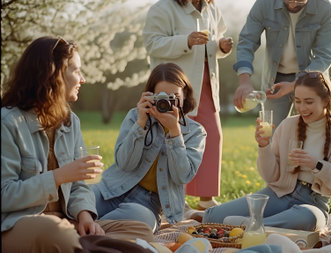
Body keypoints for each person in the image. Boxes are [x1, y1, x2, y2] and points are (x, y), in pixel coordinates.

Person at [1, 36, 153, 253]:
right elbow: (4, 194)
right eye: (76, 70)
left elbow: (79, 185)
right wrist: (59, 176)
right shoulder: (8, 123)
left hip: (65, 222)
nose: (82, 79)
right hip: (18, 224)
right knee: (55, 232)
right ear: (53, 74)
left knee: (140, 230)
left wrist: (84, 215)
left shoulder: (70, 122)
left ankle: (86, 244)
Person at [203, 72, 331, 230]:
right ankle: (258, 226)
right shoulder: (288, 125)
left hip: (313, 203)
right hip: (277, 194)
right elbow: (271, 176)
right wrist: (263, 146)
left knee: (307, 219)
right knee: (211, 217)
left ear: (326, 100)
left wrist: (315, 165)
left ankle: (249, 226)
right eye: (298, 101)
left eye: (308, 102)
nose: (302, 108)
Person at [91, 63, 207, 232]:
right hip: (112, 189)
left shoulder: (195, 132)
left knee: (142, 221)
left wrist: (175, 132)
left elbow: (182, 175)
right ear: (151, 95)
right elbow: (124, 163)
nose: (167, 102)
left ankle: (87, 227)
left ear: (185, 94)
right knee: (80, 200)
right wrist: (140, 124)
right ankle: (91, 225)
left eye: (174, 96)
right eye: (162, 97)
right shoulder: (136, 116)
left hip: (147, 204)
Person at [143, 0, 232, 211]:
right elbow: (152, 43)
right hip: (175, 87)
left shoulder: (211, 9)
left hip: (207, 83)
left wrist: (221, 46)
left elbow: (214, 42)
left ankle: (205, 199)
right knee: (175, 138)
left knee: (212, 136)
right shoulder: (162, 9)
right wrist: (187, 41)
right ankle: (175, 200)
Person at [233, 0, 331, 129]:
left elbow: (325, 55)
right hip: (275, 80)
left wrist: (295, 84)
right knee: (271, 133)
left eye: (299, 1)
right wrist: (244, 81)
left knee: (313, 131)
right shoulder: (264, 4)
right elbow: (246, 42)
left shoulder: (325, 8)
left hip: (311, 79)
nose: (293, 4)